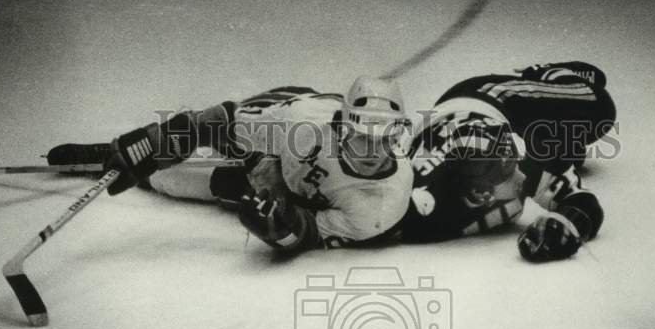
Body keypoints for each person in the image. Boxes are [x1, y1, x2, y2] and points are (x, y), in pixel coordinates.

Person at [47, 77, 413, 253]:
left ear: (399, 133)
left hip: (282, 184)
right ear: (343, 123)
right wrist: (150, 145)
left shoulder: (382, 206)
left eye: (385, 134)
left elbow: (313, 233)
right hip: (280, 115)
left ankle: (145, 177)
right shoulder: (303, 122)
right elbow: (211, 123)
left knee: (176, 181)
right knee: (193, 146)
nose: (372, 146)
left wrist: (282, 228)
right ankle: (111, 154)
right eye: (361, 131)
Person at [400, 61, 617, 261]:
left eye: (513, 161)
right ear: (481, 194)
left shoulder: (528, 159)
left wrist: (568, 224)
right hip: (461, 126)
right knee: (571, 154)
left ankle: (547, 74)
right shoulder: (419, 195)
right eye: (509, 168)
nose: (521, 173)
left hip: (491, 98)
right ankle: (564, 143)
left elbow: (584, 203)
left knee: (600, 105)